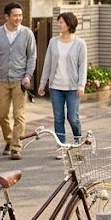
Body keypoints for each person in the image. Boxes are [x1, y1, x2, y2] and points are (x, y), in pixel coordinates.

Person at [0, 2, 36, 160]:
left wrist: (28, 76)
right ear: (6, 16)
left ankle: (16, 147)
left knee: (19, 115)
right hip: (1, 79)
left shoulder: (27, 33)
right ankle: (9, 139)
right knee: (1, 114)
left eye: (20, 15)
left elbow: (32, 56)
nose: (18, 18)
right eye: (15, 15)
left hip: (20, 80)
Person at [38, 12, 88, 156]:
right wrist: (42, 83)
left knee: (72, 118)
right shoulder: (53, 42)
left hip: (73, 88)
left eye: (61, 22)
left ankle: (78, 141)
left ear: (69, 24)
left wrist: (81, 85)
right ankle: (62, 146)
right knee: (58, 118)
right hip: (56, 87)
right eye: (58, 22)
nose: (58, 24)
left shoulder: (80, 44)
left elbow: (82, 66)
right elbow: (47, 64)